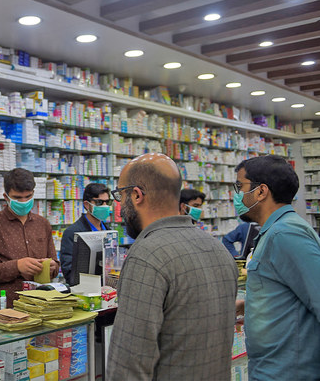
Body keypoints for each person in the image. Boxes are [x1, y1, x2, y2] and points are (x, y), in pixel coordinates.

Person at [107, 153, 238, 380]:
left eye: (120, 195)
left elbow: (129, 363)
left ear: (136, 195)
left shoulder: (147, 255)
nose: (119, 205)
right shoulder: (217, 249)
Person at [232, 155, 320, 380]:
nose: (236, 195)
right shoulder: (275, 230)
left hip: (289, 372)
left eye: (240, 186)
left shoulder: (285, 234)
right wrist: (250, 305)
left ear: (261, 191)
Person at [0, 168, 58, 310]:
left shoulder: (42, 224)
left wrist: (53, 267)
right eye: (18, 198)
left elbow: (54, 265)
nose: (24, 202)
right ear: (6, 197)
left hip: (40, 306)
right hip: (6, 308)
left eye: (28, 197)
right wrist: (16, 266)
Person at [59, 182, 111, 285]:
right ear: (87, 204)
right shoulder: (72, 232)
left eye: (107, 202)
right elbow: (70, 273)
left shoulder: (109, 232)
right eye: (100, 202)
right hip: (85, 291)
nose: (105, 206)